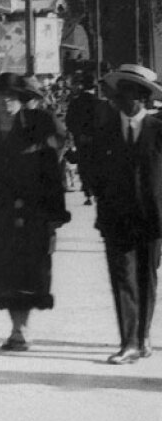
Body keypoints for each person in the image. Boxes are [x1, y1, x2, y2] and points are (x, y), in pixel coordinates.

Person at [0, 71, 69, 353]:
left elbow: (52, 170)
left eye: (12, 97)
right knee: (2, 272)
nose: (6, 102)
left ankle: (20, 329)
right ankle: (16, 327)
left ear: (22, 99)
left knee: (27, 271)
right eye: (1, 96)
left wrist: (54, 211)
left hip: (31, 210)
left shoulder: (39, 125)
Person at [75, 64, 162, 363]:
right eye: (118, 93)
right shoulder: (104, 131)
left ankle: (143, 335)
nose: (120, 99)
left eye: (128, 94)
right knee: (123, 277)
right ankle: (129, 343)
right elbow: (90, 166)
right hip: (117, 217)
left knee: (146, 278)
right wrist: (101, 194)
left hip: (152, 219)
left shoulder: (158, 130)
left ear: (142, 98)